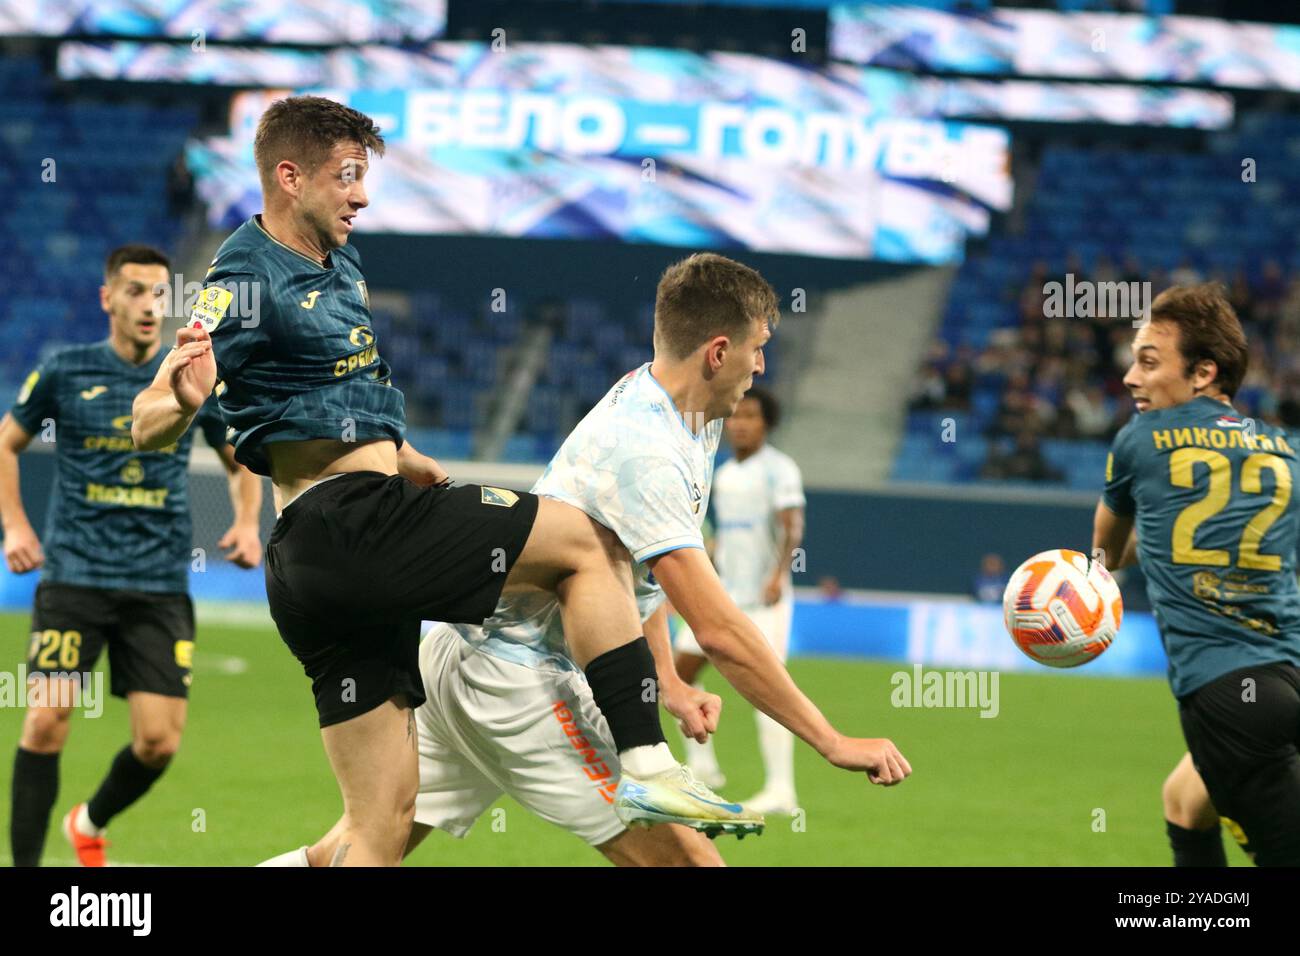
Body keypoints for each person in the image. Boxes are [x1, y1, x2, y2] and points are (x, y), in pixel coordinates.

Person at [130, 96, 742, 866]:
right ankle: (648, 765)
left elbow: (330, 393)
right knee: (586, 544)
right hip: (354, 527)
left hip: (319, 568)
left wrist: (399, 448)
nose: (362, 195)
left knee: (377, 832)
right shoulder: (245, 276)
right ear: (288, 176)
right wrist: (180, 403)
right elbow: (147, 412)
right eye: (346, 177)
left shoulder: (337, 260)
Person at [268, 252, 910, 867]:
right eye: (756, 347)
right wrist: (832, 741)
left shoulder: (685, 413)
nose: (762, 365)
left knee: (357, 853)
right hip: (521, 681)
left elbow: (633, 574)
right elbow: (718, 630)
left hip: (466, 656)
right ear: (719, 352)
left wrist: (670, 679)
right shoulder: (648, 451)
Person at [2, 244, 263, 866]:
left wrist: (249, 521)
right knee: (43, 725)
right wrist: (14, 526)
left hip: (158, 582)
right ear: (108, 298)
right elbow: (5, 445)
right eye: (135, 292)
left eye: (158, 294)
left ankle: (88, 822)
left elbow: (240, 461)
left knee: (157, 744)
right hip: (76, 577)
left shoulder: (191, 375)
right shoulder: (66, 371)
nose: (149, 305)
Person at [1093, 283, 1300, 866]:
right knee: (1185, 799)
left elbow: (1103, 557)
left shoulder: (1140, 441)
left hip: (1229, 693)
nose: (1132, 377)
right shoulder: (1285, 450)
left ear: (1204, 373)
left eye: (1149, 361)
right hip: (1287, 672)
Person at [672, 386, 809, 814]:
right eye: (736, 417)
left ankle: (782, 789)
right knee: (677, 675)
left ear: (766, 423)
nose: (740, 424)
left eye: (750, 417)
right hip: (723, 599)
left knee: (768, 690)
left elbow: (793, 526)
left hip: (764, 602)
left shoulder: (780, 469)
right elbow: (721, 539)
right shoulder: (724, 474)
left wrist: (778, 574)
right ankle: (702, 766)